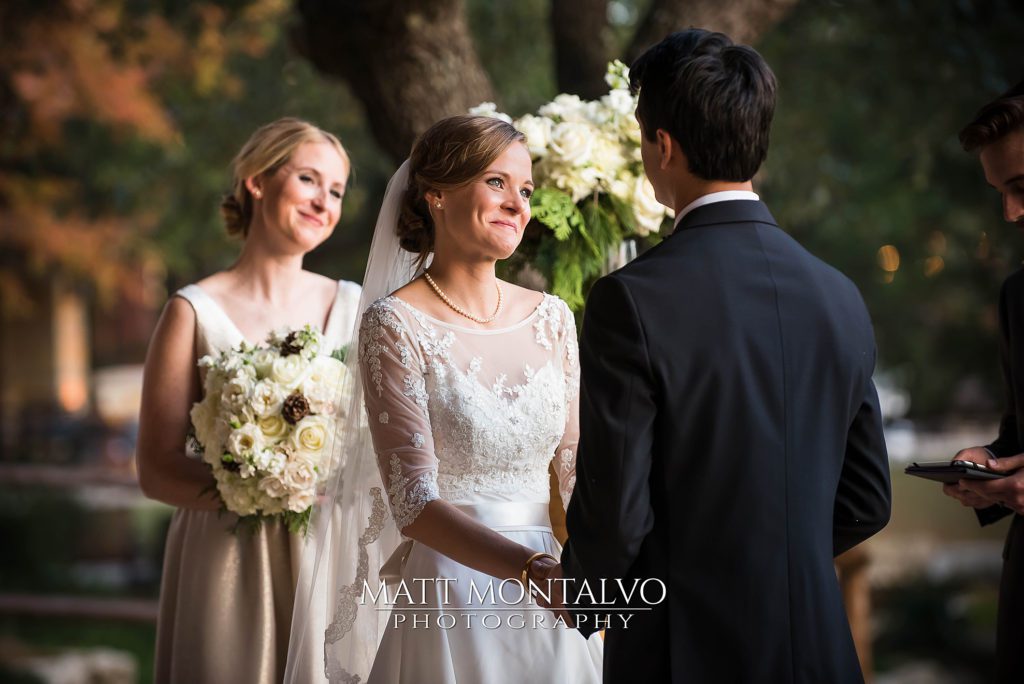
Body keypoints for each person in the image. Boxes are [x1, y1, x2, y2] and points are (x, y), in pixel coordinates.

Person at [553, 29, 891, 682]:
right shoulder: (840, 295)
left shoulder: (631, 300)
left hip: (684, 647)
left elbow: (619, 510)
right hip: (820, 646)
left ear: (663, 145)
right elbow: (870, 498)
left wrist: (585, 593)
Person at [285, 115, 602, 683]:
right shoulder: (394, 323)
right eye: (497, 182)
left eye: (525, 189)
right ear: (436, 193)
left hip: (561, 596)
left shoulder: (553, 319)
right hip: (453, 591)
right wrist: (531, 570)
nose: (518, 204)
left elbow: (574, 471)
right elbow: (414, 505)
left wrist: (599, 569)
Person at [137, 117, 360, 683]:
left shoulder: (355, 308)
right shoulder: (191, 311)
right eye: (309, 179)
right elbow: (156, 470)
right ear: (258, 181)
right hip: (225, 560)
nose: (323, 201)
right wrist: (255, 488)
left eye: (335, 191)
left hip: (328, 553)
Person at [942, 79, 1024, 683]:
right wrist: (986, 463)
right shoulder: (1017, 298)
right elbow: (1018, 432)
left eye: (1020, 188)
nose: (1011, 213)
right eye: (1001, 193)